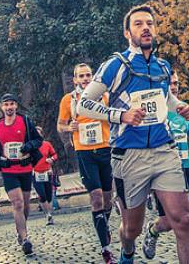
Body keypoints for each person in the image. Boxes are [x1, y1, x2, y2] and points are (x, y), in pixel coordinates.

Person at [77, 5, 189, 264]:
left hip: (163, 150)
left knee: (184, 219)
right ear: (127, 32)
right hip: (129, 155)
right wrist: (121, 116)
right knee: (131, 229)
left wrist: (180, 107)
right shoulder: (116, 65)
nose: (145, 28)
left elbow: (164, 98)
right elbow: (83, 104)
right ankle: (128, 250)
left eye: (150, 24)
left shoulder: (163, 67)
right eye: (138, 24)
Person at [143, 78, 189, 259]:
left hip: (186, 165)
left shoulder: (184, 109)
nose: (174, 87)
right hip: (166, 169)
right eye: (170, 84)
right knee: (168, 222)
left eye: (176, 84)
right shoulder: (155, 112)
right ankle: (153, 229)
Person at [59, 62, 116, 264]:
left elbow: (115, 117)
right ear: (74, 80)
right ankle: (106, 248)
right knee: (97, 197)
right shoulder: (69, 100)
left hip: (105, 148)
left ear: (93, 77)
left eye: (88, 75)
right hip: (84, 152)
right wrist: (69, 127)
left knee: (108, 198)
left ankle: (103, 225)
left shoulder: (105, 96)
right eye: (80, 76)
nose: (85, 79)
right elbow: (60, 125)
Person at [0, 93, 43, 256]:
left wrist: (28, 146)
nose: (9, 107)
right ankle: (25, 239)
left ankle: (20, 231)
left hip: (25, 168)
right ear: (1, 107)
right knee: (17, 203)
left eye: (11, 104)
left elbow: (38, 140)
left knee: (25, 205)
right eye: (6, 104)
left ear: (16, 106)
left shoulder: (25, 121)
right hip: (8, 170)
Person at [31, 126, 58, 225]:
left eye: (39, 133)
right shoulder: (31, 146)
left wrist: (52, 159)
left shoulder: (47, 144)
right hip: (36, 173)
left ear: (42, 134)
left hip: (47, 172)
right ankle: (48, 214)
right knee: (41, 195)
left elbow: (55, 155)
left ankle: (49, 214)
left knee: (49, 195)